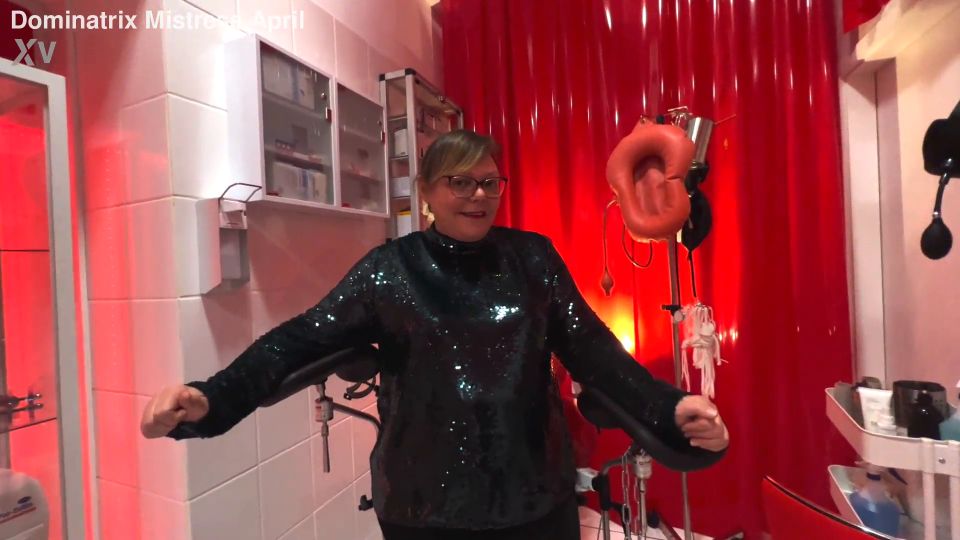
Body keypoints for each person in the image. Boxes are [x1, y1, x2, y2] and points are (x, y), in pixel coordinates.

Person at [140, 129, 729, 540]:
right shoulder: (390, 269)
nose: (479, 195)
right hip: (422, 504)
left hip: (534, 494)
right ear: (426, 191)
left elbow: (593, 350)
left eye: (490, 182)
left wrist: (668, 407)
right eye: (460, 182)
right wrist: (212, 397)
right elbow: (298, 339)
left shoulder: (533, 258)